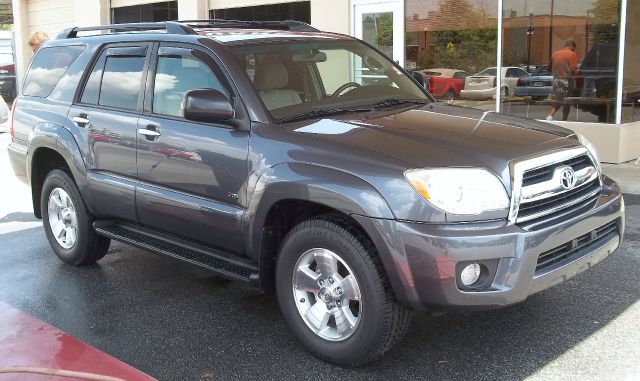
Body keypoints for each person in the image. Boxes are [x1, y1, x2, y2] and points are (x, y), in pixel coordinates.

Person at [546, 40, 577, 121]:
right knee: (566, 101)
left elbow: (548, 68)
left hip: (555, 81)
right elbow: (573, 70)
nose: (574, 50)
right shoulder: (572, 54)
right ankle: (564, 120)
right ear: (572, 47)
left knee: (560, 99)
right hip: (566, 80)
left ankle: (550, 116)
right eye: (574, 49)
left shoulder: (555, 54)